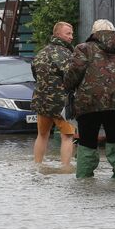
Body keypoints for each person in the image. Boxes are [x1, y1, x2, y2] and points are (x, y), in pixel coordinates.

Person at [64, 19, 115, 180]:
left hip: (88, 103)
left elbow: (72, 76)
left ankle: (84, 182)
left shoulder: (83, 49)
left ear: (94, 33)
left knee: (86, 143)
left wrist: (69, 88)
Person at [31, 22, 76, 170]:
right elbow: (71, 78)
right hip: (61, 104)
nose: (71, 36)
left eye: (71, 33)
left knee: (42, 135)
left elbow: (35, 75)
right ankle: (65, 168)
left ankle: (37, 165)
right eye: (67, 33)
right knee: (67, 136)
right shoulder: (66, 54)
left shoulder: (41, 53)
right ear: (57, 35)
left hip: (42, 102)